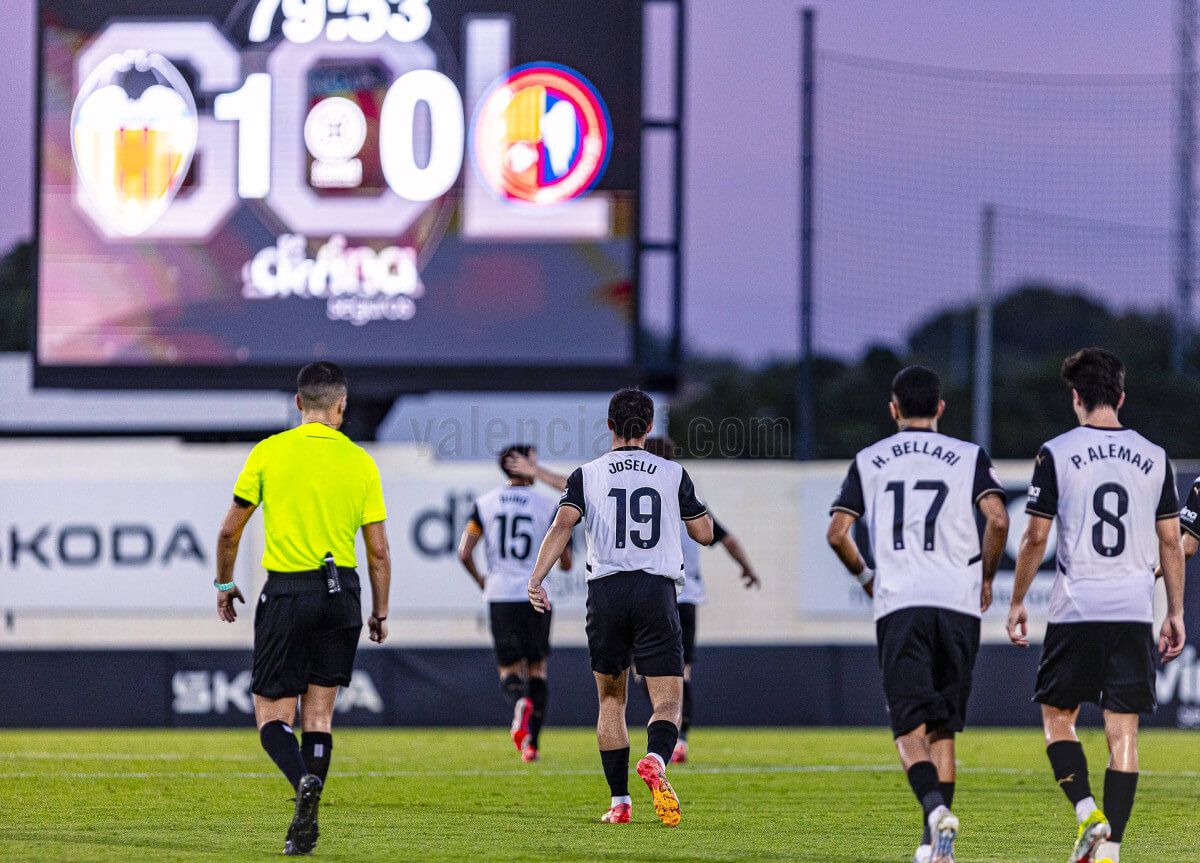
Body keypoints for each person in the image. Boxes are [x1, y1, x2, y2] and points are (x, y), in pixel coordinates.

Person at [1006, 348, 1186, 863]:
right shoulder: (1154, 456)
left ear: (1076, 397)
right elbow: (1171, 543)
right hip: (1132, 608)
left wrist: (1017, 600)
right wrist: (1174, 611)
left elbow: (1036, 537)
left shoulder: (1057, 452)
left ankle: (1088, 813)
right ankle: (1113, 852)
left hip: (1077, 607)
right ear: (1122, 396)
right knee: (1122, 731)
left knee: (1057, 716)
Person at [826, 365, 1009, 863]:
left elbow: (838, 532)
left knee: (908, 727)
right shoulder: (968, 455)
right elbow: (997, 517)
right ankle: (938, 848)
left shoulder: (871, 459)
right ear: (941, 409)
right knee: (943, 726)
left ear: (893, 409)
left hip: (901, 600)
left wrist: (867, 577)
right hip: (957, 602)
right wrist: (987, 577)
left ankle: (933, 812)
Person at [214, 362, 391, 857]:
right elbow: (378, 550)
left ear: (298, 404)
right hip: (344, 596)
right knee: (320, 715)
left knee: (272, 716)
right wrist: (380, 611)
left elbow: (230, 530)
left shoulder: (270, 452)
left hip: (288, 593)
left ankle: (302, 786)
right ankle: (303, 827)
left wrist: (225, 584)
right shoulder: (360, 462)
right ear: (341, 407)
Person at [525, 388, 713, 827]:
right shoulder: (671, 472)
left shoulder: (586, 474)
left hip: (606, 593)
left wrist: (536, 579)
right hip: (655, 592)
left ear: (609, 425)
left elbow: (562, 525)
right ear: (648, 427)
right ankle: (656, 760)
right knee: (667, 702)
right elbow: (703, 533)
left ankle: (619, 802)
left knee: (611, 700)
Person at [508, 437, 761, 764]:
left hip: (632, 592)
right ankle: (675, 740)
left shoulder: (611, 484)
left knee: (617, 692)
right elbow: (719, 536)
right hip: (676, 594)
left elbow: (573, 497)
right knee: (678, 676)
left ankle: (624, 791)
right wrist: (748, 569)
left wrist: (537, 472)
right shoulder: (680, 492)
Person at [456, 444, 572, 762]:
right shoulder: (548, 505)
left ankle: (519, 702)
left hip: (500, 594)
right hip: (536, 595)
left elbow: (464, 552)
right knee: (538, 668)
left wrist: (482, 580)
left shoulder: (484, 504)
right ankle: (532, 743)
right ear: (522, 465)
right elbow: (566, 562)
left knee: (509, 669)